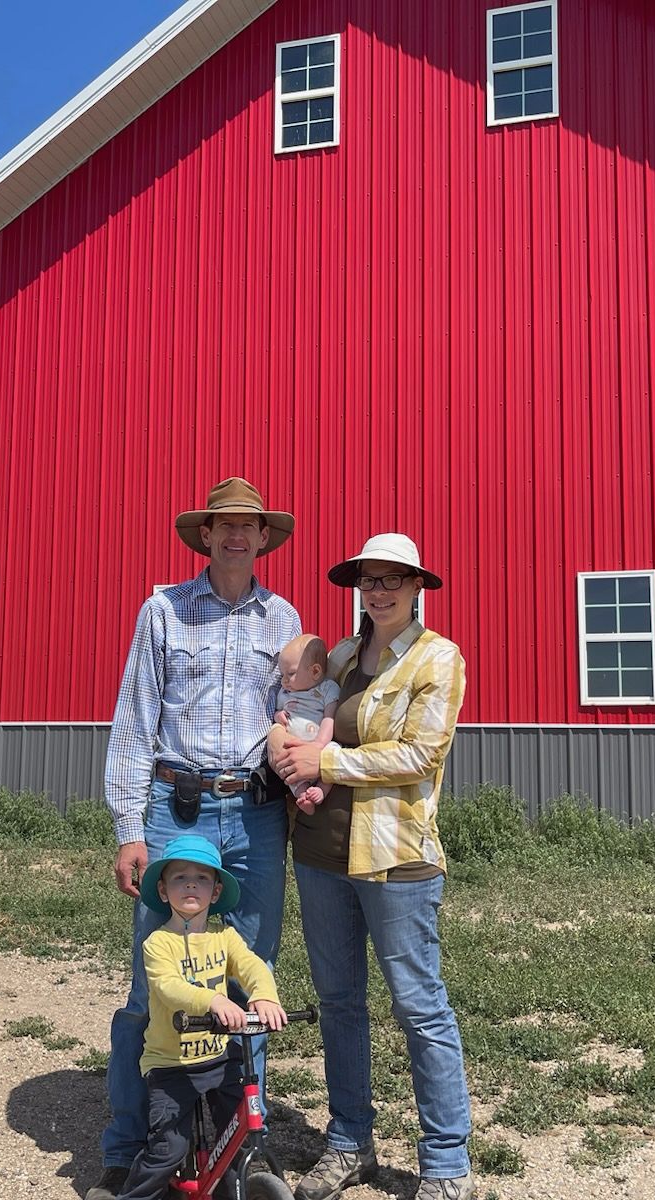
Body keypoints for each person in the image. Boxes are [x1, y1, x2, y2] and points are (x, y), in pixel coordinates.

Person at [91, 477, 301, 1200]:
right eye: (224, 525)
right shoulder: (164, 612)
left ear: (265, 538)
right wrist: (128, 829)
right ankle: (130, 1144)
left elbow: (295, 716)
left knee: (251, 973)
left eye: (250, 526)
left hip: (254, 814)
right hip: (173, 809)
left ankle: (241, 1142)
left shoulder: (282, 619)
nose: (238, 536)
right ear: (205, 536)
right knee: (150, 983)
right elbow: (133, 721)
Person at [269, 533, 475, 1200]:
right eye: (370, 580)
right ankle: (350, 1141)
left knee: (420, 1008)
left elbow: (420, 755)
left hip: (397, 859)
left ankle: (446, 1165)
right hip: (322, 854)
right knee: (339, 1004)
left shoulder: (438, 660)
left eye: (394, 579)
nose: (380, 591)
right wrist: (283, 742)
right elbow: (303, 715)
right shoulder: (342, 655)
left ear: (418, 588)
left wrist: (325, 763)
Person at [117, 834, 288, 1200]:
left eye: (202, 878)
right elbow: (168, 988)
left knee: (238, 1133)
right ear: (163, 892)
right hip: (170, 1064)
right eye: (179, 878)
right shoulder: (157, 943)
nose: (191, 883)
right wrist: (213, 1000)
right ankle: (134, 1195)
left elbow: (252, 966)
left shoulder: (224, 937)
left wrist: (264, 994)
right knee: (168, 1150)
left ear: (215, 892)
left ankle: (233, 1190)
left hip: (218, 1057)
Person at [274, 634, 340, 813]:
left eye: (291, 674)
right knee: (288, 763)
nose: (284, 680)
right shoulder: (285, 692)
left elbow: (329, 718)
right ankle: (303, 796)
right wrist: (278, 716)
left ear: (315, 671)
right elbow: (278, 712)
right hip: (295, 748)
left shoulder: (327, 688)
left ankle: (321, 789)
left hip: (320, 748)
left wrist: (320, 744)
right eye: (282, 675)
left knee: (335, 751)